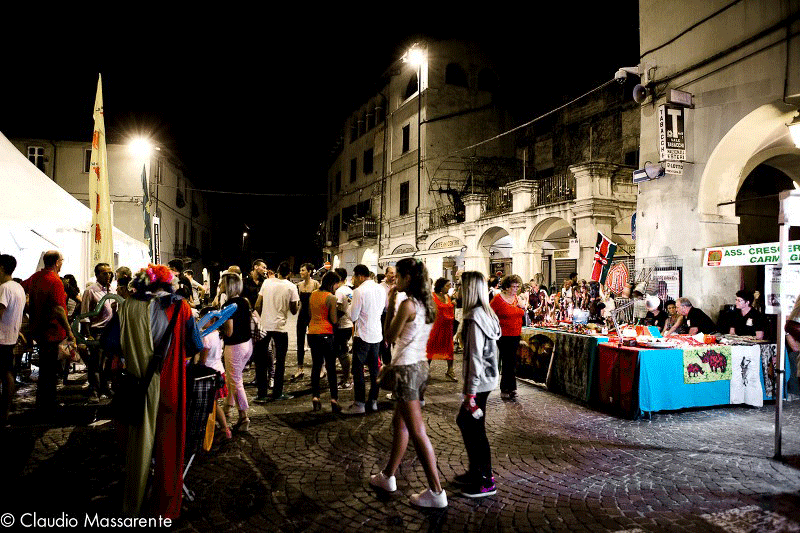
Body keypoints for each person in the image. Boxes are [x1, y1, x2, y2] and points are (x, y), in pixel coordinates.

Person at [115, 264, 203, 519]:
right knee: (169, 445)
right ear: (168, 284)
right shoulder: (180, 307)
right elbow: (195, 344)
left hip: (136, 383)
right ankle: (164, 508)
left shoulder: (128, 305)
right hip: (168, 384)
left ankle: (132, 504)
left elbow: (113, 344)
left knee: (137, 445)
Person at [369, 258, 447, 508]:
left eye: (399, 276)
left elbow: (389, 337)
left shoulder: (408, 304)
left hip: (406, 370)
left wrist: (391, 304)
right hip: (420, 366)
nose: (395, 280)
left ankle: (436, 491)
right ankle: (388, 475)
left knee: (417, 431)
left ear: (408, 278)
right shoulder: (427, 303)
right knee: (400, 424)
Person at [454, 270, 500, 498]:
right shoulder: (487, 313)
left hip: (480, 382)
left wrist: (469, 394)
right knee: (467, 423)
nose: (458, 291)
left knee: (474, 428)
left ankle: (485, 479)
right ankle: (476, 472)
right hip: (487, 379)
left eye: (461, 287)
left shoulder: (474, 317)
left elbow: (475, 357)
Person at [22, 250, 75, 415]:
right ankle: (48, 404)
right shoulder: (55, 280)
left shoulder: (36, 277)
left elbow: (21, 288)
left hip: (38, 329)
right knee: (50, 370)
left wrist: (29, 309)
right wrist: (69, 331)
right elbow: (59, 309)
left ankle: (42, 402)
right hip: (51, 330)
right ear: (58, 262)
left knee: (46, 368)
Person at [344, 264, 385, 415]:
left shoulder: (359, 291)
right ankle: (373, 401)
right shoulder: (380, 289)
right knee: (375, 370)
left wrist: (349, 306)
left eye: (354, 277)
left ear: (360, 276)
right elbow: (382, 309)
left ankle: (359, 403)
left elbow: (353, 316)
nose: (353, 280)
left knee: (358, 370)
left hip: (362, 335)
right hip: (377, 334)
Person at [255, 261, 299, 401]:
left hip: (265, 326)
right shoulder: (291, 287)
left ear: (278, 271)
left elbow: (257, 304)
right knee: (280, 361)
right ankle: (278, 392)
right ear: (289, 274)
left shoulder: (267, 283)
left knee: (261, 361)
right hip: (281, 327)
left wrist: (261, 318)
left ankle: (261, 394)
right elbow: (293, 311)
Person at [219, 272, 253, 431]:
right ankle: (227, 407)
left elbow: (229, 331)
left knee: (235, 380)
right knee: (234, 378)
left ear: (229, 285)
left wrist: (220, 324)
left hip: (234, 346)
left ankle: (243, 416)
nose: (220, 285)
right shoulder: (244, 302)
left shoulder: (228, 305)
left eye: (222, 283)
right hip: (247, 344)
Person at [80, 262, 116, 401]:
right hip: (97, 331)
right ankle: (94, 390)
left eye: (110, 273)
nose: (108, 276)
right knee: (95, 363)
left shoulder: (112, 290)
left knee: (108, 363)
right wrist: (87, 334)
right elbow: (85, 315)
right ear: (97, 275)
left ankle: (105, 388)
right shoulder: (91, 291)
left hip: (111, 332)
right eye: (104, 273)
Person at [307, 271, 342, 412]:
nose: (337, 287)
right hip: (326, 333)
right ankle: (334, 399)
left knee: (316, 365)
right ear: (332, 283)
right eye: (336, 285)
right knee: (331, 367)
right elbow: (333, 319)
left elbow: (310, 313)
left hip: (312, 333)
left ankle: (315, 397)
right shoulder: (331, 298)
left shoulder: (313, 294)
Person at [490, 274, 525, 401]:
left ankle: (511, 387)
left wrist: (523, 307)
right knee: (507, 361)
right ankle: (505, 388)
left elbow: (522, 312)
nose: (515, 289)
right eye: (513, 286)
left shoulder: (517, 299)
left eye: (517, 286)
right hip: (503, 335)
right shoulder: (498, 299)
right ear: (506, 287)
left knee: (512, 361)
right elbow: (489, 314)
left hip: (516, 333)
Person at [198, 307, 231, 439]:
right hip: (219, 371)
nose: (200, 321)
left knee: (212, 404)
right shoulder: (218, 334)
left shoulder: (206, 337)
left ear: (212, 320)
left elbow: (203, 360)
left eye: (203, 319)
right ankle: (218, 428)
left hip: (209, 374)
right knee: (214, 403)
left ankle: (224, 429)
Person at [0, 254, 25, 425]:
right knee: (7, 374)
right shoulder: (18, 288)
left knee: (6, 375)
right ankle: (6, 411)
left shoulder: (4, 288)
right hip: (10, 338)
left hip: (1, 338)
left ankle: (4, 411)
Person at [427, 277, 456, 381]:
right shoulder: (432, 297)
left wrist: (453, 304)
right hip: (435, 327)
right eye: (447, 285)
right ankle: (425, 370)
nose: (449, 287)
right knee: (430, 348)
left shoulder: (448, 296)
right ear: (441, 286)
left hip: (447, 328)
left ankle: (450, 370)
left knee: (449, 349)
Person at [295, 263, 319, 382]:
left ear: (309, 272)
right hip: (302, 314)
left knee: (314, 341)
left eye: (303, 270)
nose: (301, 272)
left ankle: (319, 367)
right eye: (300, 270)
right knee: (300, 340)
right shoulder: (298, 285)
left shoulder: (315, 284)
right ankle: (300, 367)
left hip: (312, 315)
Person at [334, 267, 353, 390]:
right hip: (349, 324)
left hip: (341, 325)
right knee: (343, 351)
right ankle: (347, 377)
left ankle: (347, 379)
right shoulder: (350, 290)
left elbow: (339, 310)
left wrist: (332, 321)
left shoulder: (340, 292)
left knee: (342, 353)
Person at [379, 266, 396, 366]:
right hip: (384, 316)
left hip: (396, 315)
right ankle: (386, 363)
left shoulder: (399, 286)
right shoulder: (380, 287)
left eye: (394, 273)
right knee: (385, 342)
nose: (393, 275)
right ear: (386, 274)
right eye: (391, 273)